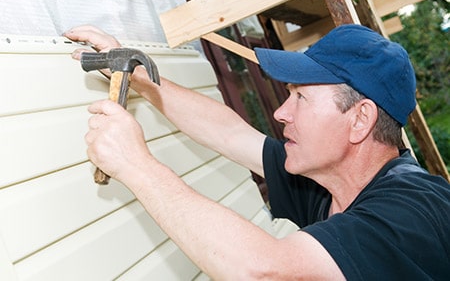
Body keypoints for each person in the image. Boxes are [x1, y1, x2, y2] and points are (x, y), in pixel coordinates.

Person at [65, 24, 450, 280]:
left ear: (360, 119)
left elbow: (267, 272)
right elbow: (230, 133)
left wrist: (136, 165)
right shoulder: (327, 184)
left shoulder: (415, 209)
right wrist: (142, 76)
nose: (282, 113)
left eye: (300, 97)